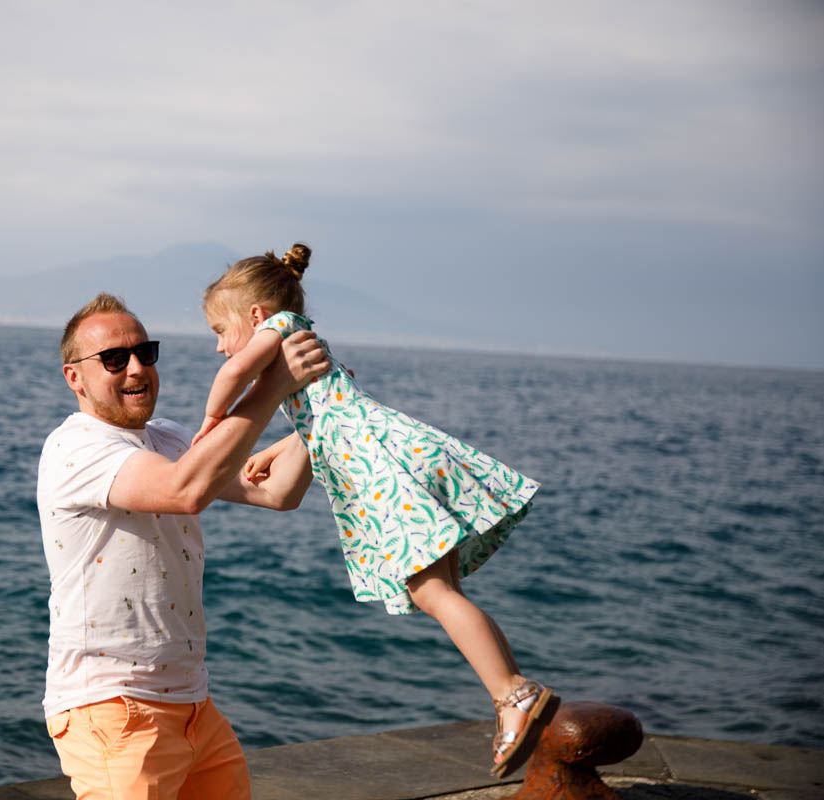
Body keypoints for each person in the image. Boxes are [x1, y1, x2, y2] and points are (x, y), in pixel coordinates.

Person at [194, 244, 557, 778]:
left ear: (255, 315)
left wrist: (212, 422)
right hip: (393, 452)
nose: (220, 347)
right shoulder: (304, 340)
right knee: (446, 591)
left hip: (383, 472)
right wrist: (272, 450)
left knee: (430, 592)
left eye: (221, 331)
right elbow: (327, 415)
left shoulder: (277, 330)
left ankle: (513, 693)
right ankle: (512, 693)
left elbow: (235, 374)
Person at [37, 292, 329, 800]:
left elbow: (279, 493)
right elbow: (184, 490)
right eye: (114, 359)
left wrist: (320, 411)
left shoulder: (170, 439)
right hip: (112, 706)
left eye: (144, 353)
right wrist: (273, 384)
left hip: (194, 705)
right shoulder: (74, 447)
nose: (136, 368)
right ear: (74, 378)